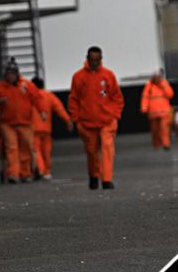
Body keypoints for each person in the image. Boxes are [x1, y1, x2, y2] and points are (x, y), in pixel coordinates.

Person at [68, 46, 125, 189]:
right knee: (91, 152)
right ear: (87, 59)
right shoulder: (78, 77)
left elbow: (117, 97)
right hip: (87, 123)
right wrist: (76, 119)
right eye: (92, 59)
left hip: (107, 120)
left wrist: (115, 115)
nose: (94, 62)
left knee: (107, 148)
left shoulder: (108, 75)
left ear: (101, 59)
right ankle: (93, 175)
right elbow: (73, 99)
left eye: (97, 60)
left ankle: (106, 179)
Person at [0, 59, 46, 184]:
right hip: (7, 123)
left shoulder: (27, 85)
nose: (10, 76)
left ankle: (25, 173)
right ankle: (13, 173)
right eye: (8, 73)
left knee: (26, 148)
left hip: (25, 123)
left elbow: (37, 99)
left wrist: (42, 112)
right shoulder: (0, 88)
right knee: (11, 148)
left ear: (17, 73)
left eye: (12, 73)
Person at [30, 76, 73, 181]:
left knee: (36, 151)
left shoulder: (30, 96)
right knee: (46, 151)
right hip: (46, 129)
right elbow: (59, 108)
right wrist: (68, 120)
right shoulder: (49, 95)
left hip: (33, 129)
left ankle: (40, 170)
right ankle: (47, 172)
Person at [140, 68, 175, 151]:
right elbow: (145, 97)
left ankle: (166, 144)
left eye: (158, 76)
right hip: (153, 112)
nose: (157, 78)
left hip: (164, 112)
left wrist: (162, 85)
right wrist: (144, 107)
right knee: (154, 130)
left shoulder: (164, 83)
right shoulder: (149, 85)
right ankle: (157, 144)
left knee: (164, 129)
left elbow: (170, 94)